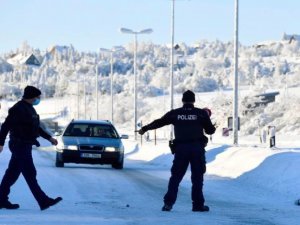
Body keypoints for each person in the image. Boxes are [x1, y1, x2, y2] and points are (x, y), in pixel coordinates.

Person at [138, 90, 216, 212]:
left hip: (181, 149)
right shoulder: (201, 114)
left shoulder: (175, 114)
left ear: (183, 100)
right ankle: (198, 205)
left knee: (176, 177)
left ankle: (168, 203)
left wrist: (145, 128)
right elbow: (210, 131)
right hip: (197, 149)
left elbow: (159, 122)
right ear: (194, 101)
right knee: (197, 178)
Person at [0, 86, 62, 210]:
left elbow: (36, 128)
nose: (38, 99)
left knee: (12, 174)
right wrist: (0, 143)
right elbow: (5, 126)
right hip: (19, 145)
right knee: (30, 173)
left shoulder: (30, 109)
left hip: (25, 145)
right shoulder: (17, 109)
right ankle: (44, 201)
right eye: (37, 97)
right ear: (32, 97)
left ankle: (1, 199)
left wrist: (49, 138)